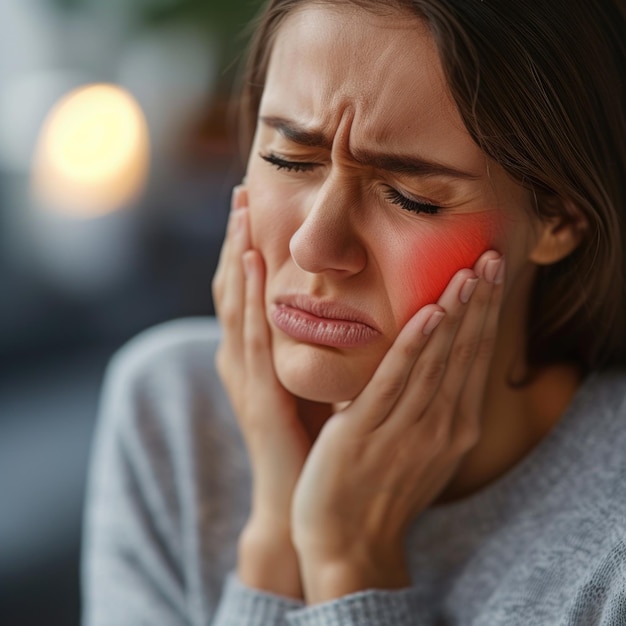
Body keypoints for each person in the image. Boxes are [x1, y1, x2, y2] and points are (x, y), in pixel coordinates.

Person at [81, 0, 626, 624]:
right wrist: (275, 543)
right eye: (289, 160)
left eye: (410, 197)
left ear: (560, 219)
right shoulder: (174, 413)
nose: (313, 246)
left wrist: (349, 565)